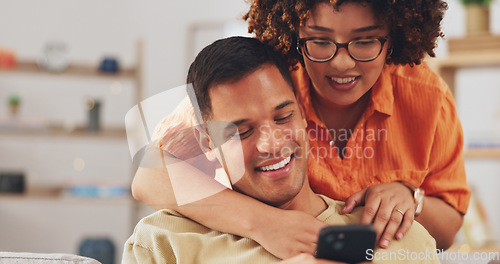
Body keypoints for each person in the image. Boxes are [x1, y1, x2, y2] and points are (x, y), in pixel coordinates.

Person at [131, 0, 470, 257]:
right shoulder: (267, 84)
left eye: (365, 41)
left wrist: (408, 196)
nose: (341, 62)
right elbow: (150, 174)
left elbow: (447, 229)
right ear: (295, 34)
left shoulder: (427, 98)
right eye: (320, 41)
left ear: (393, 38)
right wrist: (265, 224)